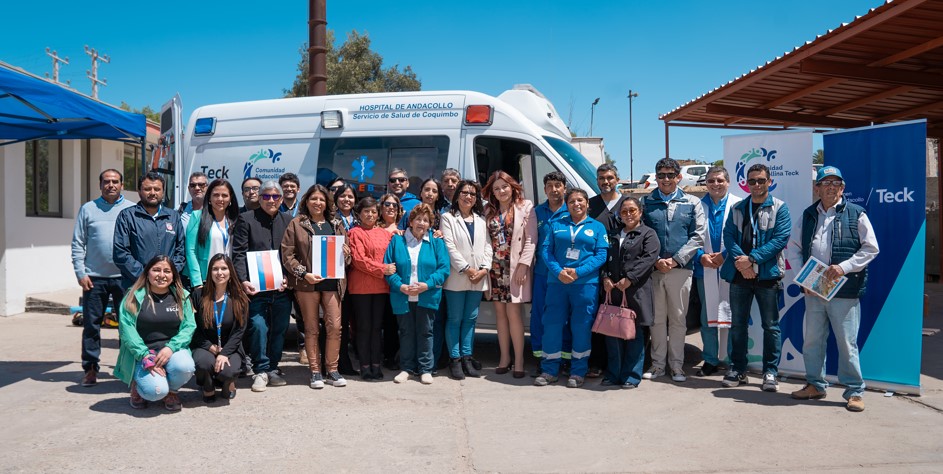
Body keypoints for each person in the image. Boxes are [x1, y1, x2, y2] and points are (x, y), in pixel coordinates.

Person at [791, 166, 879, 412]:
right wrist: (803, 279)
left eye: (835, 183)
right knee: (812, 341)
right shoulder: (808, 215)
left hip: (845, 290)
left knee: (846, 343)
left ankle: (854, 391)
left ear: (842, 188)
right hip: (815, 290)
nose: (830, 186)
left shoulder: (857, 213)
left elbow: (871, 248)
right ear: (816, 188)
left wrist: (844, 267)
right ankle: (815, 385)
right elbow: (793, 247)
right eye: (825, 182)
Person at [720, 163, 791, 392]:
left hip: (768, 277)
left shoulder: (780, 208)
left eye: (761, 180)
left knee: (771, 326)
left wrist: (752, 259)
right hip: (740, 275)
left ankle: (770, 372)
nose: (757, 184)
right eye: (752, 181)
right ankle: (738, 369)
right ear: (746, 183)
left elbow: (780, 239)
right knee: (738, 325)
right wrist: (742, 263)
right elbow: (728, 236)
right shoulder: (739, 208)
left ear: (769, 182)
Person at [535, 188, 608, 388]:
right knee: (552, 325)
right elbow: (546, 252)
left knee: (581, 327)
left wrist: (578, 272)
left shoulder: (597, 227)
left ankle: (578, 372)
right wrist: (558, 271)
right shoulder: (556, 224)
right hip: (557, 283)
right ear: (567, 205)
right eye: (572, 201)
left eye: (580, 200)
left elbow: (601, 255)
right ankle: (549, 370)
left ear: (587, 203)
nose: (576, 204)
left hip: (585, 285)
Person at [640, 157, 706, 383]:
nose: (666, 179)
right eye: (661, 175)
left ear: (678, 177)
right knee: (657, 319)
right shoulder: (647, 202)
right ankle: (658, 365)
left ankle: (677, 366)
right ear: (655, 177)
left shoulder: (692, 202)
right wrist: (656, 259)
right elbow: (642, 234)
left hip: (681, 270)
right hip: (654, 269)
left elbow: (698, 235)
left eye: (670, 175)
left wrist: (676, 260)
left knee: (678, 319)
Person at [281, 184, 350, 389]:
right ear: (306, 201)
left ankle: (333, 370)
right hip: (307, 284)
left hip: (332, 283)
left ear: (327, 202)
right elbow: (287, 255)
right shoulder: (297, 223)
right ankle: (315, 372)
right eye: (313, 199)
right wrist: (304, 273)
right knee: (311, 329)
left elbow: (347, 258)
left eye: (321, 199)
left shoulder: (336, 223)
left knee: (335, 328)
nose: (317, 203)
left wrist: (346, 254)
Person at [72, 169, 136, 387]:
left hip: (124, 278)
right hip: (94, 278)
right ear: (100, 185)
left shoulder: (131, 209)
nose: (111, 185)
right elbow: (78, 243)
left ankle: (126, 368)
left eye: (115, 181)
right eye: (106, 182)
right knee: (92, 325)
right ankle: (90, 368)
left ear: (122, 185)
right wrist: (80, 273)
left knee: (127, 326)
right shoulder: (88, 209)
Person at [231, 180, 294, 392]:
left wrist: (288, 277)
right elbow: (238, 253)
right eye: (266, 196)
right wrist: (243, 280)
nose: (271, 200)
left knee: (279, 329)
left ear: (282, 199)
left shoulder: (288, 220)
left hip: (281, 288)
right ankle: (260, 370)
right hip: (256, 289)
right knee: (258, 327)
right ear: (259, 198)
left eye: (276, 196)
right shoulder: (246, 219)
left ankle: (273, 368)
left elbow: (292, 254)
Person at [114, 255, 196, 411]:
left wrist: (171, 347)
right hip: (143, 353)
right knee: (155, 392)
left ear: (173, 275)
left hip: (171, 350)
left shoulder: (181, 296)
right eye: (156, 270)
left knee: (185, 367)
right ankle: (138, 386)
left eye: (167, 271)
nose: (162, 275)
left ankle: (171, 392)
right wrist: (145, 356)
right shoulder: (133, 296)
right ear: (147, 272)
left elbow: (189, 326)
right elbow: (127, 330)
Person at [384, 204, 450, 384]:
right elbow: (389, 269)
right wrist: (400, 286)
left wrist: (427, 285)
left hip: (426, 295)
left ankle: (425, 369)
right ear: (411, 221)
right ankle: (406, 368)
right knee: (405, 332)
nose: (422, 223)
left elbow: (444, 269)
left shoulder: (436, 242)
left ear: (430, 224)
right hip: (403, 295)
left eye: (426, 220)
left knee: (425, 332)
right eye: (418, 219)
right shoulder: (397, 240)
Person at [482, 171, 536, 378]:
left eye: (504, 186)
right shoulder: (488, 210)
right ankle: (504, 357)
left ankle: (519, 360)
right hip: (495, 268)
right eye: (496, 189)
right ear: (492, 193)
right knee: (500, 315)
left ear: (512, 186)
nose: (501, 191)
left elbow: (531, 239)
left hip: (515, 268)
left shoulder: (525, 206)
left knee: (514, 314)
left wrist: (524, 265)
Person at [601, 197, 659, 389]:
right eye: (624, 211)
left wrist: (630, 278)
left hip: (636, 292)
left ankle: (631, 376)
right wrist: (605, 278)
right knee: (612, 334)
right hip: (614, 292)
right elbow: (603, 258)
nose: (628, 215)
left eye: (632, 210)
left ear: (640, 212)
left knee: (634, 335)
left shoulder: (648, 234)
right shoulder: (612, 234)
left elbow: (649, 259)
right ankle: (613, 374)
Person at [440, 180, 492, 379]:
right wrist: (467, 269)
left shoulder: (481, 220)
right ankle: (455, 360)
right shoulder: (447, 218)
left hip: (478, 277)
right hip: (457, 276)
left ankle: (467, 357)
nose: (468, 196)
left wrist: (484, 268)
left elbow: (488, 246)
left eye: (472, 193)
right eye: (464, 192)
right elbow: (449, 246)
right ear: (457, 195)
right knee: (455, 319)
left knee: (470, 320)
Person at [693, 167, 741, 376]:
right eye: (711, 180)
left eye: (720, 180)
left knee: (732, 317)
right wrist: (700, 256)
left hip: (731, 268)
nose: (715, 184)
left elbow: (743, 236)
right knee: (707, 318)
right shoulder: (696, 205)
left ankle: (732, 361)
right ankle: (710, 359)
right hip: (705, 269)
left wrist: (725, 254)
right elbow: (689, 236)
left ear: (728, 182)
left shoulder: (739, 204)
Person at [347, 197, 397, 380]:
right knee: (363, 328)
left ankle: (376, 365)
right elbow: (359, 260)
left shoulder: (385, 233)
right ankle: (365, 366)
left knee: (376, 329)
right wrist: (382, 269)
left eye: (374, 211)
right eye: (366, 211)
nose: (370, 214)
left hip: (381, 287)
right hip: (361, 287)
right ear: (359, 214)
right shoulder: (354, 232)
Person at [113, 171, 186, 290]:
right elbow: (121, 253)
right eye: (147, 189)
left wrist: (168, 274)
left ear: (163, 192)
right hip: (136, 285)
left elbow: (180, 251)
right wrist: (146, 276)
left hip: (167, 286)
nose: (152, 193)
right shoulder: (127, 216)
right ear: (139, 191)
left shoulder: (173, 217)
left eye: (157, 189)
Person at [530, 171, 573, 375]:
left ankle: (564, 357)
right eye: (550, 186)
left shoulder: (572, 210)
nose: (554, 189)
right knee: (539, 316)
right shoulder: (537, 212)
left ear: (564, 188)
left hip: (564, 275)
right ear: (545, 189)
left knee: (563, 318)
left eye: (558, 185)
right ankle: (540, 357)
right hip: (541, 274)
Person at [190, 255, 247, 403]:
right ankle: (208, 386)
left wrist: (225, 353)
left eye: (224, 268)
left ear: (230, 272)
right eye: (215, 269)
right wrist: (209, 347)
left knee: (228, 371)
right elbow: (191, 327)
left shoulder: (239, 297)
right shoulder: (198, 295)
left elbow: (239, 331)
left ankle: (228, 382)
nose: (219, 273)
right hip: (205, 345)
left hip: (231, 347)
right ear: (209, 272)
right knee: (203, 364)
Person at [586, 163, 624, 377]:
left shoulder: (628, 203)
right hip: (597, 270)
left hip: (623, 271)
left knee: (623, 316)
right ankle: (597, 363)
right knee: (599, 317)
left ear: (617, 179)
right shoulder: (591, 205)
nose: (605, 182)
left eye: (609, 177)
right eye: (601, 178)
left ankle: (622, 364)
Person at [185, 179, 240, 289]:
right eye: (216, 195)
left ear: (230, 199)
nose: (220, 199)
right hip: (206, 280)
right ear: (209, 198)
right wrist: (197, 283)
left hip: (230, 280)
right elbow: (190, 251)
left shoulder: (236, 220)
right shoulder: (197, 217)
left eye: (224, 195)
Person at [331, 183, 359, 375]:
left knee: (352, 320)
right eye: (343, 196)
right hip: (336, 278)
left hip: (356, 277)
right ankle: (338, 362)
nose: (346, 200)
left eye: (350, 196)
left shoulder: (359, 219)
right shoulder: (330, 219)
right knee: (336, 323)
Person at [377, 193, 404, 370]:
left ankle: (391, 356)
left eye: (395, 205)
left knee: (393, 323)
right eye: (387, 204)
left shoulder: (405, 231)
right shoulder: (374, 227)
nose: (391, 207)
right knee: (377, 323)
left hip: (396, 284)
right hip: (377, 283)